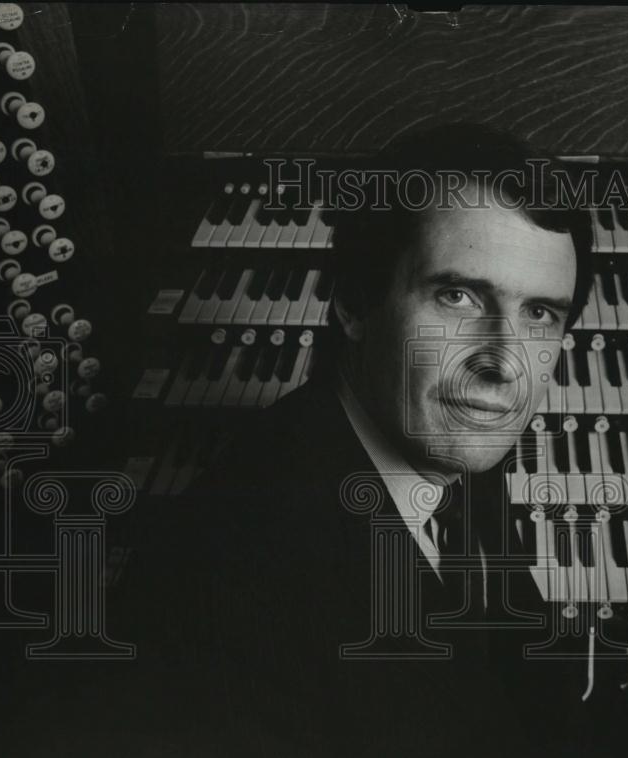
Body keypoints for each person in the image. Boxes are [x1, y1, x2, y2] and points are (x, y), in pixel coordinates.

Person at [73, 123, 597, 757]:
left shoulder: (440, 431)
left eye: (540, 312)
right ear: (353, 302)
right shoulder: (227, 605)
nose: (504, 364)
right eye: (457, 296)